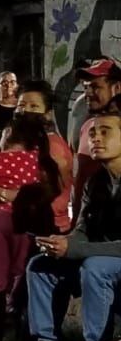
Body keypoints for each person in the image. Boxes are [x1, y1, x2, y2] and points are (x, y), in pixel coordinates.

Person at [16, 100, 121, 341]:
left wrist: (76, 249)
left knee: (95, 265)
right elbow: (84, 230)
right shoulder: (96, 182)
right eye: (92, 133)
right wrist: (63, 242)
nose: (95, 138)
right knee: (41, 266)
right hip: (96, 262)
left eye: (105, 132)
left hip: (106, 266)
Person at [0, 113, 60, 333]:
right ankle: (16, 318)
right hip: (25, 222)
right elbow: (45, 193)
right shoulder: (36, 160)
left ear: (8, 134)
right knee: (19, 271)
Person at [13, 79, 73, 233]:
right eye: (21, 105)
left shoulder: (54, 147)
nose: (26, 111)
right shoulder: (17, 141)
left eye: (34, 106)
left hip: (50, 227)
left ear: (47, 113)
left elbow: (57, 191)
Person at [71, 58, 121, 220]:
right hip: (88, 219)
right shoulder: (83, 115)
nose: (88, 93)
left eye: (95, 87)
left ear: (117, 87)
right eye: (85, 87)